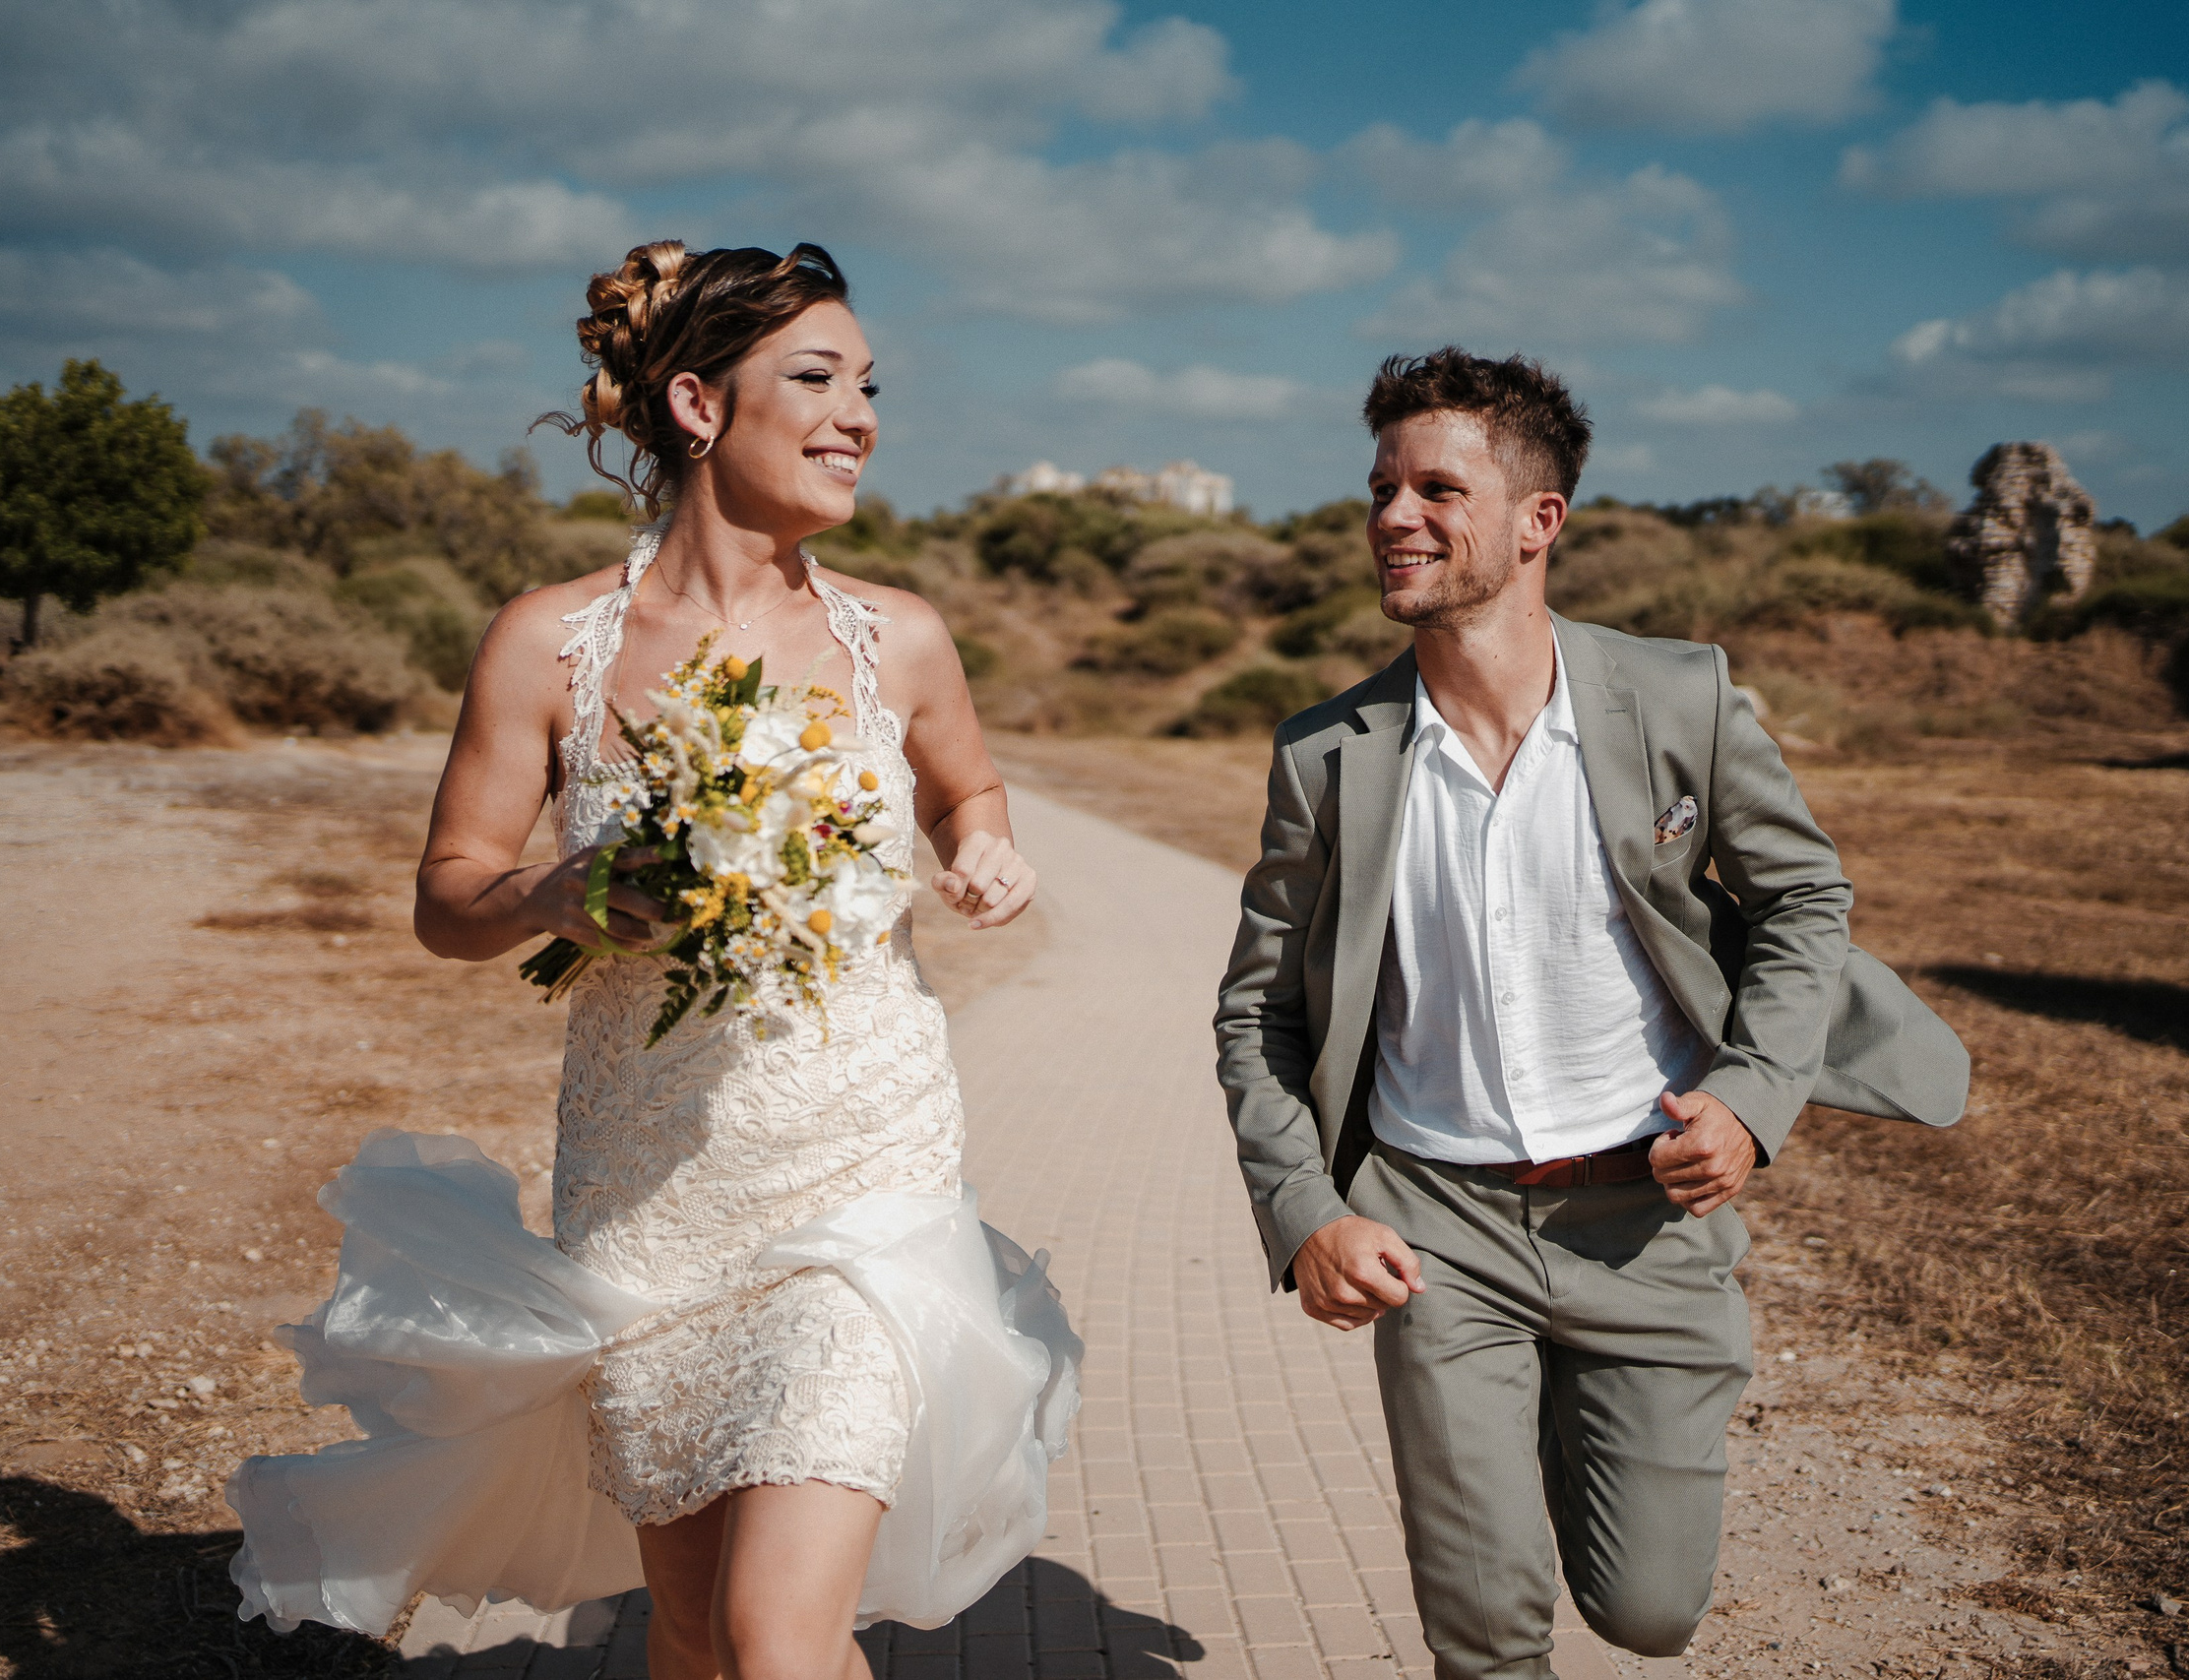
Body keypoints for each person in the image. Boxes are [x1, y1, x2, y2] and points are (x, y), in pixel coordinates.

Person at [228, 242, 1073, 1680]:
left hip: (865, 1181)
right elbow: (446, 897)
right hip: (647, 1204)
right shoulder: (548, 645)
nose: (858, 413)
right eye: (815, 379)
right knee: (688, 1633)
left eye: (870, 385)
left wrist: (985, 847)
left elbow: (967, 791)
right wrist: (550, 896)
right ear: (694, 402)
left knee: (774, 1634)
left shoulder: (903, 641)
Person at [1214, 348, 1968, 1672]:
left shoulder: (1681, 699)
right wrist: (1307, 1213)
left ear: (1537, 522)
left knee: (1649, 1609)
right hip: (1435, 1227)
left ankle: (1580, 1439)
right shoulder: (1326, 757)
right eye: (1381, 488)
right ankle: (1493, 1500)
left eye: (1437, 488)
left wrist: (1749, 1099)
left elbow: (1806, 903)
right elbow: (1259, 1017)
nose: (1394, 516)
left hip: (1648, 1225)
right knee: (1490, 1629)